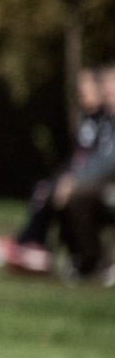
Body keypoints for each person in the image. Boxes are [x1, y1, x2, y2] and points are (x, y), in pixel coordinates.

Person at [0, 66, 107, 274]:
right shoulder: (87, 120)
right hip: (78, 181)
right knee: (43, 189)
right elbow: (74, 161)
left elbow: (100, 162)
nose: (81, 91)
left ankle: (35, 246)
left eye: (86, 86)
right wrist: (60, 180)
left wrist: (73, 181)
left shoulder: (104, 122)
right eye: (79, 87)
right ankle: (29, 243)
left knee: (61, 195)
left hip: (92, 184)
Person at [54, 63, 115, 284]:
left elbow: (109, 160)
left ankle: (93, 261)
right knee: (67, 196)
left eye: (111, 86)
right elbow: (91, 158)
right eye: (105, 86)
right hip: (102, 184)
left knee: (79, 196)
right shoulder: (105, 120)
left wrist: (76, 180)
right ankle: (89, 260)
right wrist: (69, 179)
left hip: (108, 186)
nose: (107, 92)